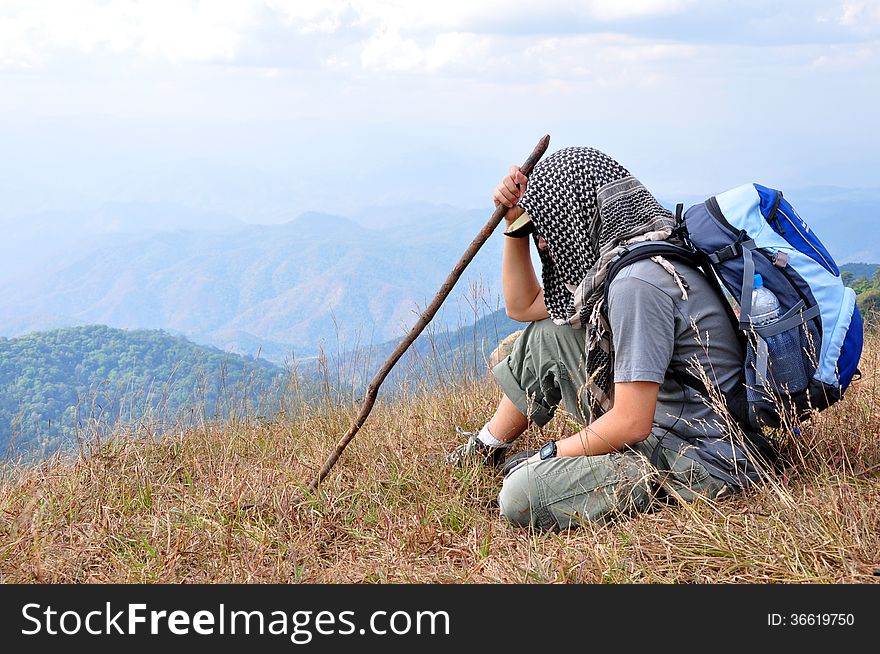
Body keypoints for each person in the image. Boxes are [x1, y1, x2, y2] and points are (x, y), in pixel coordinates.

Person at [446, 147, 769, 531]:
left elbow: (632, 423)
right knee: (548, 336)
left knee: (521, 493)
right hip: (665, 418)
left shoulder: (637, 284)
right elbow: (523, 306)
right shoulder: (633, 258)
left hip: (700, 456)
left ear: (580, 218)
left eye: (547, 227)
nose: (544, 244)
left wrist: (548, 455)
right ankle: (484, 449)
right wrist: (516, 225)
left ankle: (646, 483)